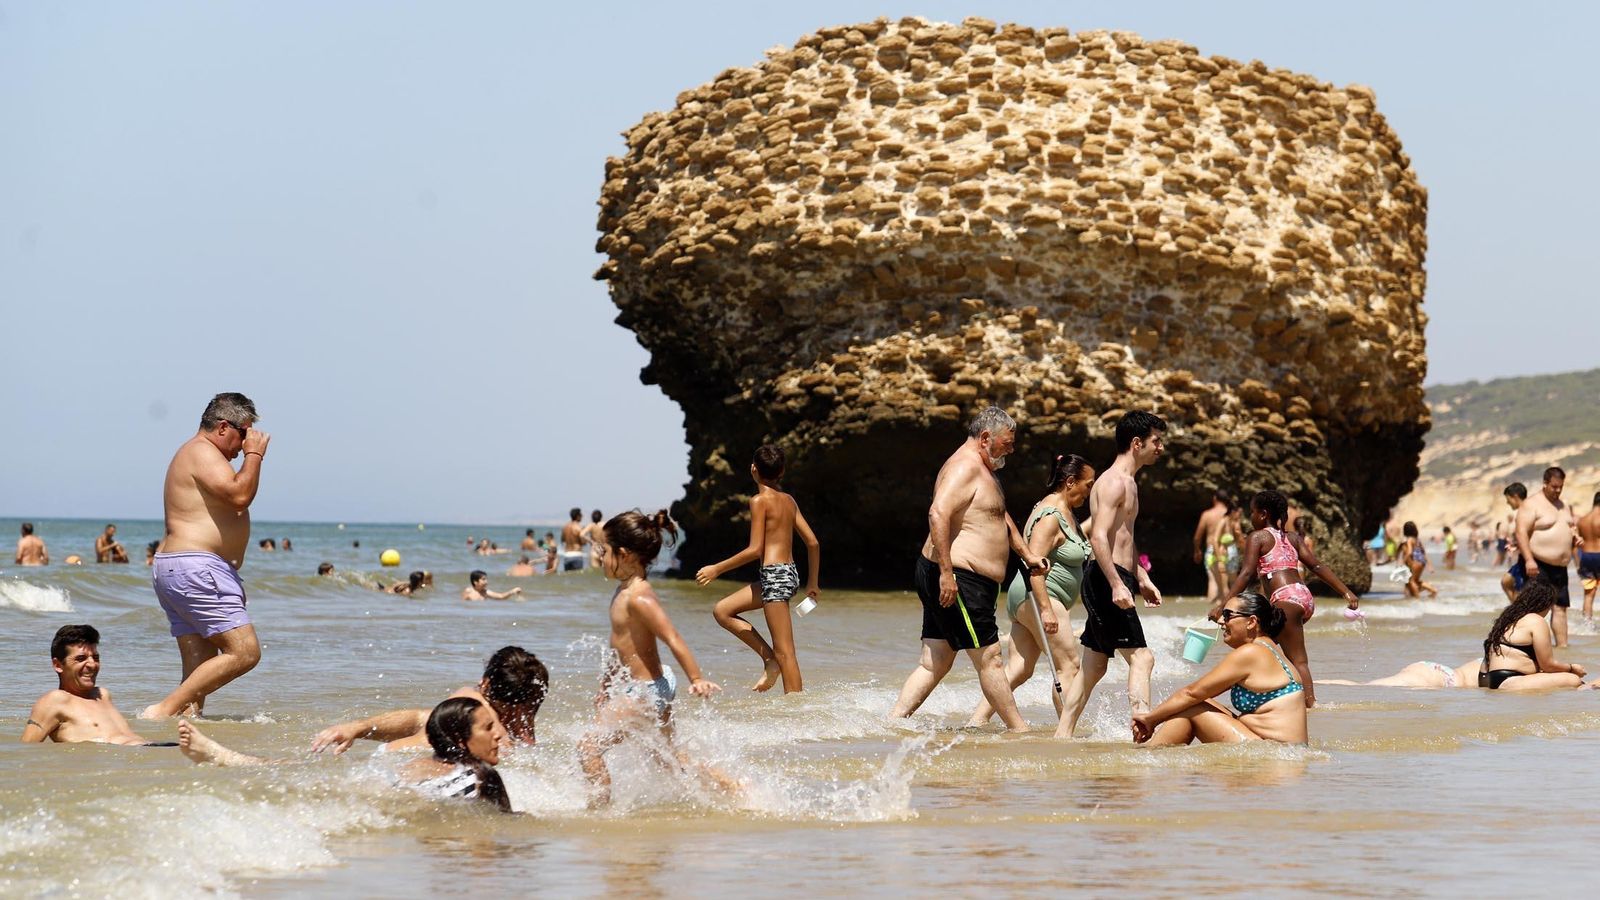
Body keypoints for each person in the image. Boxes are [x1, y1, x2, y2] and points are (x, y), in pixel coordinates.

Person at [890, 407, 1047, 733]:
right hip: (960, 578)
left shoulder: (983, 470)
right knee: (990, 658)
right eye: (1007, 442)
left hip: (962, 577)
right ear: (986, 437)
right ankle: (1020, 731)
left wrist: (1027, 554)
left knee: (936, 659)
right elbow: (937, 514)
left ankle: (893, 723)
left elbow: (999, 516)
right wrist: (947, 574)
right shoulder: (964, 467)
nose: (1011, 449)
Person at [579, 510, 727, 807]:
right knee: (669, 759)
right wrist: (606, 685)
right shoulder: (624, 591)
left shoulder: (639, 597)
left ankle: (599, 812)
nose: (600, 557)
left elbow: (672, 638)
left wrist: (696, 679)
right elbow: (619, 645)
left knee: (588, 748)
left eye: (604, 551)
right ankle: (731, 788)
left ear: (624, 554)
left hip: (646, 693)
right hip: (652, 687)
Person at [143, 392, 269, 719]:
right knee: (245, 652)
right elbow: (240, 495)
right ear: (224, 427)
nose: (244, 444)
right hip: (196, 567)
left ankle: (180, 743)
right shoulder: (202, 451)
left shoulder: (196, 453)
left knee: (196, 677)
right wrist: (255, 456)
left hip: (182, 568)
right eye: (244, 434)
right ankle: (165, 710)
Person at [178, 698, 515, 813]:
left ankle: (230, 760)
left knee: (316, 781)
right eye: (489, 728)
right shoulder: (481, 777)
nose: (499, 734)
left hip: (380, 789)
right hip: (396, 804)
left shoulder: (418, 764)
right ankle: (229, 759)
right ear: (460, 738)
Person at [1055, 411, 1166, 740]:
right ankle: (1141, 733)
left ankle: (1063, 737)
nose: (1161, 448)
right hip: (1106, 578)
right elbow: (1099, 537)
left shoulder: (1130, 482)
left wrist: (1142, 578)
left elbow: (1124, 538)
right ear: (1137, 443)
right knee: (1143, 658)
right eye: (1156, 441)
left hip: (1117, 576)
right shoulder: (1113, 482)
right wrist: (1118, 583)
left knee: (1093, 667)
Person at [969, 453, 1094, 726]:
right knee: (1069, 665)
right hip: (1039, 596)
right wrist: (1047, 610)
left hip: (1028, 598)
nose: (1089, 492)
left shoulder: (1065, 513)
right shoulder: (1050, 517)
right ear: (1071, 482)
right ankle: (1067, 733)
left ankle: (976, 722)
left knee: (1020, 669)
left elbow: (1071, 545)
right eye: (1088, 485)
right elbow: (1033, 564)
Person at [1212, 490, 1359, 708]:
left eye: (1252, 512)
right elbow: (1316, 565)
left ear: (1262, 514)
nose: (1250, 516)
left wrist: (1224, 604)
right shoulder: (1292, 538)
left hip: (1286, 599)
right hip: (1303, 597)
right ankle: (1275, 695)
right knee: (1264, 645)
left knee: (1295, 659)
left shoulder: (1258, 536)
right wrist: (1345, 591)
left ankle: (1310, 706)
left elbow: (1246, 573)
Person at [698, 445, 821, 693]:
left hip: (775, 577)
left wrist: (717, 569)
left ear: (753, 469)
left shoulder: (758, 501)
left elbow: (755, 549)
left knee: (786, 652)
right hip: (787, 575)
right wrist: (813, 584)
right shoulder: (789, 501)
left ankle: (796, 709)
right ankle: (769, 660)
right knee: (723, 611)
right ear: (782, 471)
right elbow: (813, 542)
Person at [1132, 591, 1307, 745]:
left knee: (1191, 706)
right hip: (1285, 753)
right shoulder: (1270, 650)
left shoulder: (1250, 653)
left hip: (1274, 753)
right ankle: (1153, 759)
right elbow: (1200, 694)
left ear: (1251, 622)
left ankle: (1146, 759)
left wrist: (1151, 719)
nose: (1221, 621)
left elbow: (1191, 693)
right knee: (1196, 704)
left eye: (1228, 615)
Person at [312, 645, 549, 752]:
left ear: (486, 682)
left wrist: (357, 728)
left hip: (393, 764)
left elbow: (419, 718)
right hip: (401, 768)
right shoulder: (478, 710)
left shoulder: (471, 704)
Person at [21, 625, 174, 746]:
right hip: (131, 765)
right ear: (58, 665)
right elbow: (26, 749)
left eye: (95, 657)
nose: (92, 664)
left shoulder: (102, 695)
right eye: (81, 658)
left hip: (152, 750)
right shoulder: (55, 700)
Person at [1479, 580, 1586, 690]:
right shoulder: (1536, 620)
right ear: (1545, 604)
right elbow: (1547, 665)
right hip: (1512, 680)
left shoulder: (1507, 621)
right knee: (1573, 679)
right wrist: (1572, 668)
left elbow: (1484, 667)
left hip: (1494, 680)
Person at [1514, 467, 1579, 647]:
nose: (1558, 490)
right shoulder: (1531, 504)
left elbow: (1570, 528)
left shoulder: (1564, 505)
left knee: (1560, 608)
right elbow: (1520, 533)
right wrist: (1528, 559)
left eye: (1561, 487)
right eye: (1554, 486)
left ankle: (1562, 648)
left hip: (1561, 567)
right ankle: (1528, 647)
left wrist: (1576, 537)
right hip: (1538, 563)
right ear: (1545, 483)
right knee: (1536, 608)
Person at [1191, 489, 1232, 610]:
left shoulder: (1207, 514)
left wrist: (1197, 550)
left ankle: (1208, 616)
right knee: (1228, 583)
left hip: (1211, 551)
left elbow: (1197, 536)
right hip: (1227, 550)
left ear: (1215, 498)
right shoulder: (1230, 514)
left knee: (1213, 581)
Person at [1322, 659, 1483, 689]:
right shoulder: (1505, 662)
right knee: (1362, 686)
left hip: (1436, 673)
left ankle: (1309, 685)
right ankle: (1307, 685)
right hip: (1441, 679)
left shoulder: (1498, 653)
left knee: (1364, 686)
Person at [1500, 483, 1528, 602]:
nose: (1507, 503)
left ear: (1515, 497)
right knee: (1506, 581)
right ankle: (1517, 610)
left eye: (1508, 499)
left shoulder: (1526, 512)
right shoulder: (1521, 512)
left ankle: (1520, 614)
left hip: (1528, 559)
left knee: (1519, 592)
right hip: (1522, 558)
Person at [1398, 521, 1438, 599]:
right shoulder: (1417, 540)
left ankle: (1417, 598)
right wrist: (1429, 565)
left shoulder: (1409, 540)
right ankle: (1432, 590)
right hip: (1422, 562)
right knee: (1415, 581)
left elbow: (1409, 552)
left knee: (1411, 581)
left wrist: (1403, 561)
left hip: (1415, 562)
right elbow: (1423, 552)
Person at [1578, 492, 1600, 625]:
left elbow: (1579, 542)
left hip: (1586, 557)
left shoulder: (1582, 519)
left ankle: (1587, 624)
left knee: (1588, 594)